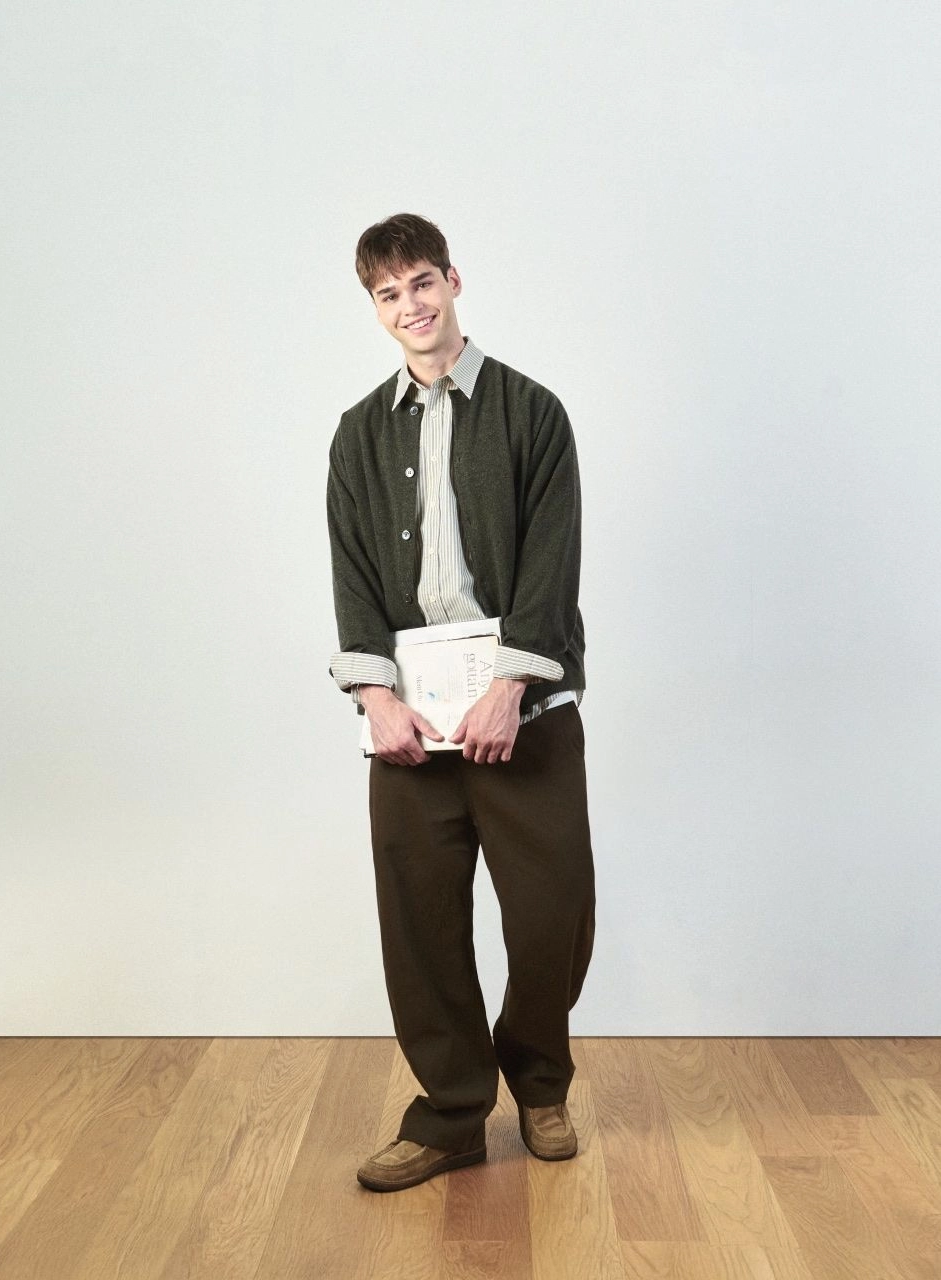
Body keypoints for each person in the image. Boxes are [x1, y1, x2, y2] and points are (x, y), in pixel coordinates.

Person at [326, 212, 596, 1193]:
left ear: (453, 280)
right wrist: (374, 696)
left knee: (552, 914)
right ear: (375, 307)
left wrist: (511, 686)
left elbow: (552, 563)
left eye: (422, 282)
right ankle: (449, 1113)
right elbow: (353, 575)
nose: (411, 305)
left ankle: (540, 1081)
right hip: (410, 726)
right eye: (389, 293)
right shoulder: (359, 434)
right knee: (421, 926)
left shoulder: (532, 412)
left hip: (524, 715)